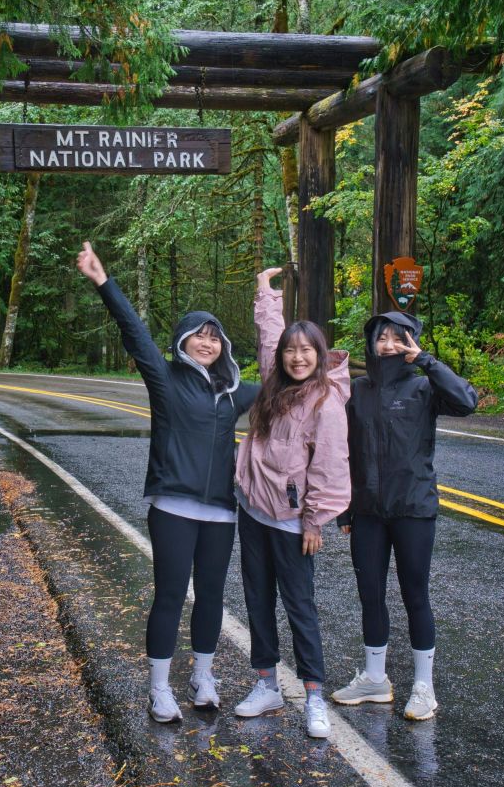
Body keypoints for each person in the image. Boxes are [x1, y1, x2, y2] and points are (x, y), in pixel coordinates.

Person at [77, 242, 259, 724]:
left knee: (214, 596)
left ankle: (203, 676)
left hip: (221, 511)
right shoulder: (167, 379)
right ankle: (159, 689)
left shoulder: (234, 393)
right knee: (171, 595)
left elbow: (291, 382)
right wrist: (103, 281)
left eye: (215, 337)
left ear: (223, 346)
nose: (207, 343)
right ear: (183, 342)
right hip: (174, 508)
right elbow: (135, 334)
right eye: (198, 336)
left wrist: (330, 367)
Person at [331, 311, 478, 720]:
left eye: (400, 338)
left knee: (416, 595)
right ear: (372, 343)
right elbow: (343, 452)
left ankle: (423, 687)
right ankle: (375, 680)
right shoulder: (355, 391)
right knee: (370, 594)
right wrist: (344, 508)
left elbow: (467, 401)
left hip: (413, 508)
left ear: (412, 342)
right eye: (384, 338)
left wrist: (426, 361)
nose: (391, 346)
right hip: (368, 513)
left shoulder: (423, 388)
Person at [234, 267, 351, 738]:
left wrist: (315, 521)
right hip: (254, 510)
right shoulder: (274, 385)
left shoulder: (327, 401)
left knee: (299, 606)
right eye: (291, 350)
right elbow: (267, 341)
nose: (296, 357)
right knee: (257, 599)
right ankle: (266, 684)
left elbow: (329, 466)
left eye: (306, 350)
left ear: (320, 355)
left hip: (291, 521)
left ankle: (314, 695)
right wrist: (265, 294)